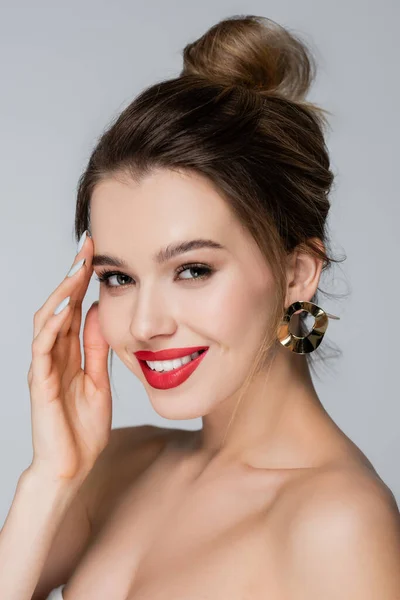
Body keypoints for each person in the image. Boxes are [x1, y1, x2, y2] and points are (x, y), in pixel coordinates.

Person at [1, 14, 399, 600]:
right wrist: (49, 479)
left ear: (297, 273)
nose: (144, 325)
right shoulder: (116, 466)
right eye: (118, 277)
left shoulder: (338, 528)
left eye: (192, 269)